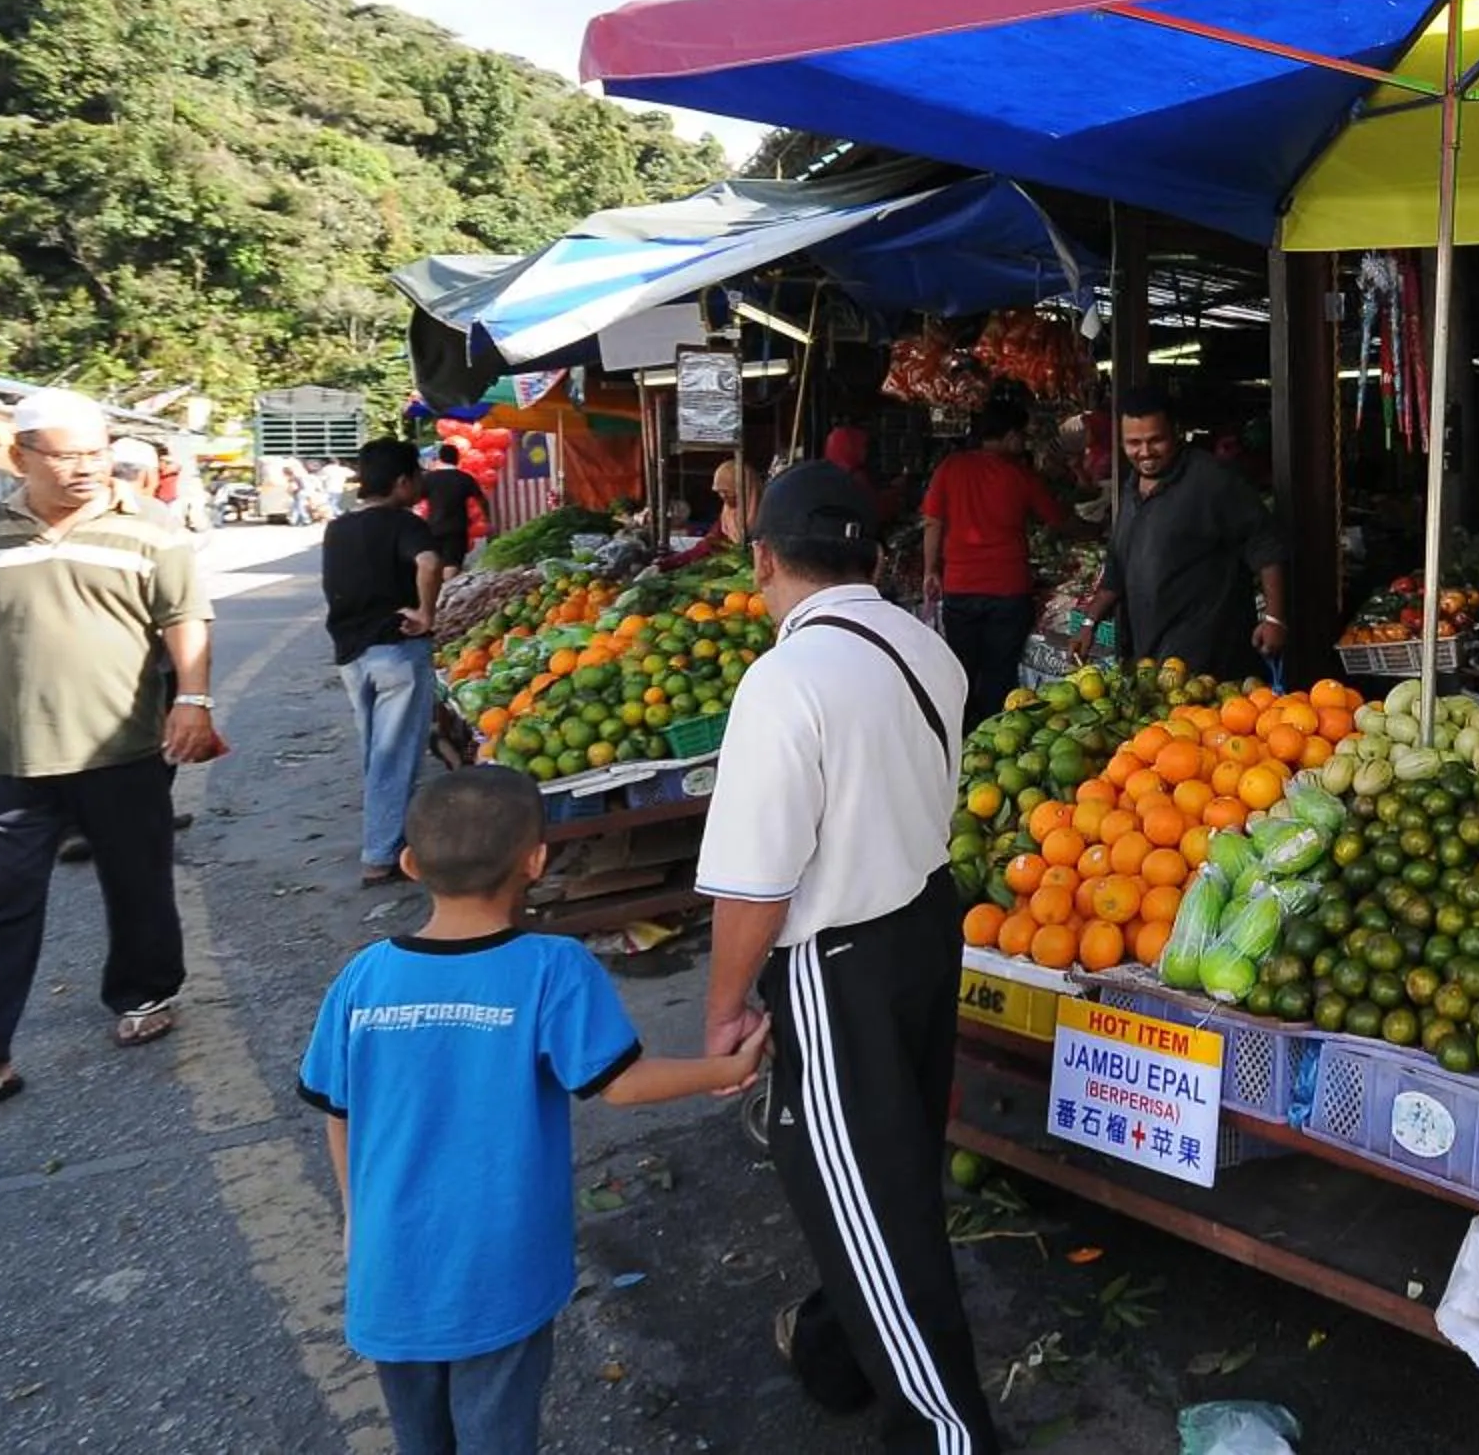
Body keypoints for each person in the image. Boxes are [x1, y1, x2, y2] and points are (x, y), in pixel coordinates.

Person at [301, 767, 765, 1455]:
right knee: (496, 1431)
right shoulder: (552, 967)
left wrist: (354, 1219)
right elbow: (621, 1084)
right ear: (537, 861)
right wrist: (726, 1068)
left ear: (410, 863)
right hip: (500, 1267)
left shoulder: (364, 976)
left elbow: (337, 1110)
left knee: (419, 1436)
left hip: (388, 1263)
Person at [695, 462, 1003, 1453]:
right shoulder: (926, 648)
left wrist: (725, 1010)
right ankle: (837, 1352)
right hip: (925, 932)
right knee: (884, 1171)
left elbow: (756, 884)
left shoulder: (785, 680)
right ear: (875, 557)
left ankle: (948, 1435)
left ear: (764, 561)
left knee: (864, 1188)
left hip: (841, 963)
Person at [0, 388, 222, 1123]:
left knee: (138, 881)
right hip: (7, 755)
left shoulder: (149, 526)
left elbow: (185, 617)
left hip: (123, 745)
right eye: (65, 456)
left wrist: (193, 699)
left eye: (95, 453)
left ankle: (145, 994)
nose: (85, 468)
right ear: (19, 457)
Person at [1069, 388, 1287, 680]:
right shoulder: (1131, 490)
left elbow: (1265, 544)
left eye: (1155, 440)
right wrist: (1088, 623)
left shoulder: (1212, 480)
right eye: (1134, 443)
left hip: (1209, 662)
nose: (1145, 452)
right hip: (1152, 658)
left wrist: (1274, 618)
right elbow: (1117, 570)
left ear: (1176, 432)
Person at [324, 439, 448, 888]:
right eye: (416, 476)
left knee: (376, 751)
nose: (420, 483)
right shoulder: (404, 523)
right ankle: (381, 854)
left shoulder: (337, 528)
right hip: (395, 650)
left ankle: (386, 838)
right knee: (393, 753)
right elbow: (430, 563)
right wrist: (427, 614)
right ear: (401, 482)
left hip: (352, 653)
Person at [922, 394, 1067, 728]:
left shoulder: (951, 467)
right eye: (1022, 435)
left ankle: (960, 736)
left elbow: (933, 523)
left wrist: (931, 570)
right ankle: (994, 735)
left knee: (961, 670)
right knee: (1000, 673)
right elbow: (1057, 519)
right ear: (1011, 435)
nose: (1024, 442)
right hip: (1008, 590)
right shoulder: (1020, 475)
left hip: (960, 588)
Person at [416, 443, 490, 571]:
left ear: (440, 458)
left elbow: (416, 498)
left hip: (434, 527)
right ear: (457, 458)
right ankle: (449, 583)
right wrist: (487, 517)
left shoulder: (429, 478)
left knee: (436, 563)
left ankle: (439, 583)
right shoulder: (465, 478)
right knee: (452, 563)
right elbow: (482, 500)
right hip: (457, 528)